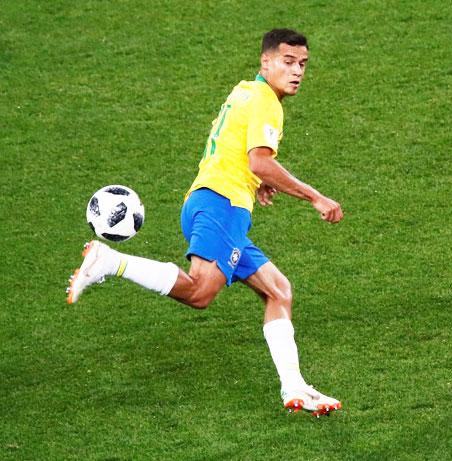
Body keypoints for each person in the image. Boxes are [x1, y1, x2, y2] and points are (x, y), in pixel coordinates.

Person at [67, 29, 343, 417]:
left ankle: (294, 386)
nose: (297, 71)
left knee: (278, 290)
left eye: (302, 64)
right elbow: (259, 159)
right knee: (200, 293)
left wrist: (258, 181)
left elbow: (233, 145)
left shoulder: (244, 90)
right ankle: (111, 261)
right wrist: (314, 195)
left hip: (209, 199)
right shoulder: (266, 101)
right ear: (266, 61)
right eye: (288, 61)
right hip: (222, 204)